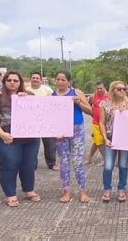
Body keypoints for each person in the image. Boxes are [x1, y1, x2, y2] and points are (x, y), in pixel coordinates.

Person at [0, 71, 41, 207]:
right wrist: (2, 134)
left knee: (28, 165)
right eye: (9, 80)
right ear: (4, 81)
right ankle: (11, 194)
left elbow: (40, 114)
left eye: (15, 81)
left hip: (29, 139)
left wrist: (26, 100)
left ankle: (29, 190)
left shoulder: (29, 96)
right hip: (5, 138)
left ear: (20, 82)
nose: (12, 83)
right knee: (9, 165)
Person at [52, 71, 92, 203]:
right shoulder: (52, 96)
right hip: (60, 132)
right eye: (58, 79)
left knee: (78, 162)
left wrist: (79, 103)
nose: (60, 82)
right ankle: (66, 191)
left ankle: (83, 191)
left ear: (69, 81)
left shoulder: (76, 92)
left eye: (63, 80)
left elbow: (90, 111)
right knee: (64, 163)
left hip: (77, 130)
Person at [99, 81, 128, 203]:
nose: (122, 91)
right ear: (112, 90)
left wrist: (127, 112)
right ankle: (107, 189)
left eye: (124, 89)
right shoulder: (105, 104)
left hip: (124, 137)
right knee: (108, 165)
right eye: (119, 89)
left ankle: (121, 188)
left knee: (123, 165)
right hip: (110, 136)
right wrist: (105, 138)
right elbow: (101, 123)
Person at [26, 72, 59, 171]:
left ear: (41, 80)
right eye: (33, 78)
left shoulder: (48, 90)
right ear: (30, 79)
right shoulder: (25, 90)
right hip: (31, 121)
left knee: (50, 144)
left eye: (37, 78)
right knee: (31, 144)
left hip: (46, 120)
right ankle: (32, 164)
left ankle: (51, 163)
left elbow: (54, 103)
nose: (35, 79)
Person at [86, 81, 108, 166]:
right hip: (96, 123)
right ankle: (106, 159)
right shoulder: (93, 96)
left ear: (105, 87)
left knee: (96, 142)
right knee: (99, 142)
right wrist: (93, 114)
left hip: (106, 123)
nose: (99, 90)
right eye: (97, 88)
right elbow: (89, 106)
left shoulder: (109, 96)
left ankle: (89, 158)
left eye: (101, 88)